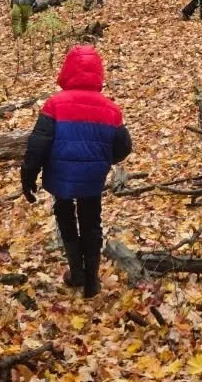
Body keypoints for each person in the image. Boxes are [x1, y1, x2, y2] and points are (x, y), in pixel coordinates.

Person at [20, 45, 131, 298]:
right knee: (92, 221)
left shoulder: (54, 105)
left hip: (61, 175)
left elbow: (38, 145)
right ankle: (91, 281)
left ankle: (76, 272)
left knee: (65, 213)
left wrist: (28, 175)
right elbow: (124, 147)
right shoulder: (111, 110)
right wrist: (104, 160)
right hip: (93, 177)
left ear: (67, 70)